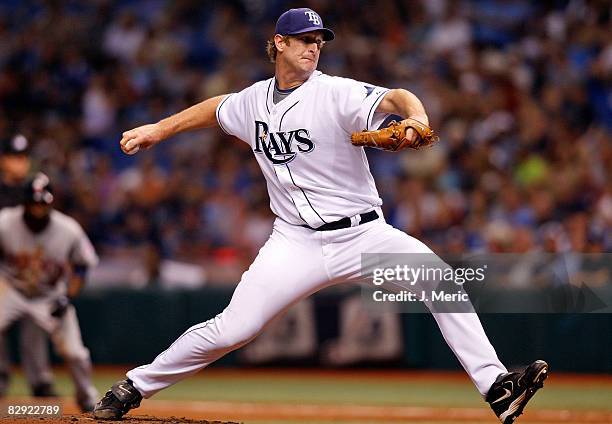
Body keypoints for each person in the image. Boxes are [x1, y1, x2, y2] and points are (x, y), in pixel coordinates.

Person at [93, 8, 547, 424]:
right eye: (304, 38)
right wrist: (159, 129)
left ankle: (496, 387)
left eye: (319, 40)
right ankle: (134, 386)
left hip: (364, 236)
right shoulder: (253, 101)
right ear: (280, 44)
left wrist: (415, 117)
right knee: (234, 328)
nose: (313, 46)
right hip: (294, 242)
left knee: (439, 280)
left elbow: (396, 97)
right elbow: (216, 107)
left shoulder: (335, 92)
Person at [0, 172, 99, 411]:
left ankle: (88, 400)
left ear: (51, 202)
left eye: (42, 204)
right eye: (33, 204)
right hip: (11, 290)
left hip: (50, 296)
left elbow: (83, 266)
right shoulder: (4, 222)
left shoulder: (68, 229)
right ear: (23, 202)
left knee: (75, 353)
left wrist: (68, 295)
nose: (38, 209)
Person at [0, 134, 57, 399]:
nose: (20, 163)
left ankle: (41, 381)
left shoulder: (35, 189)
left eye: (23, 157)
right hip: (2, 267)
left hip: (30, 267)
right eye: (14, 157)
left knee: (36, 319)